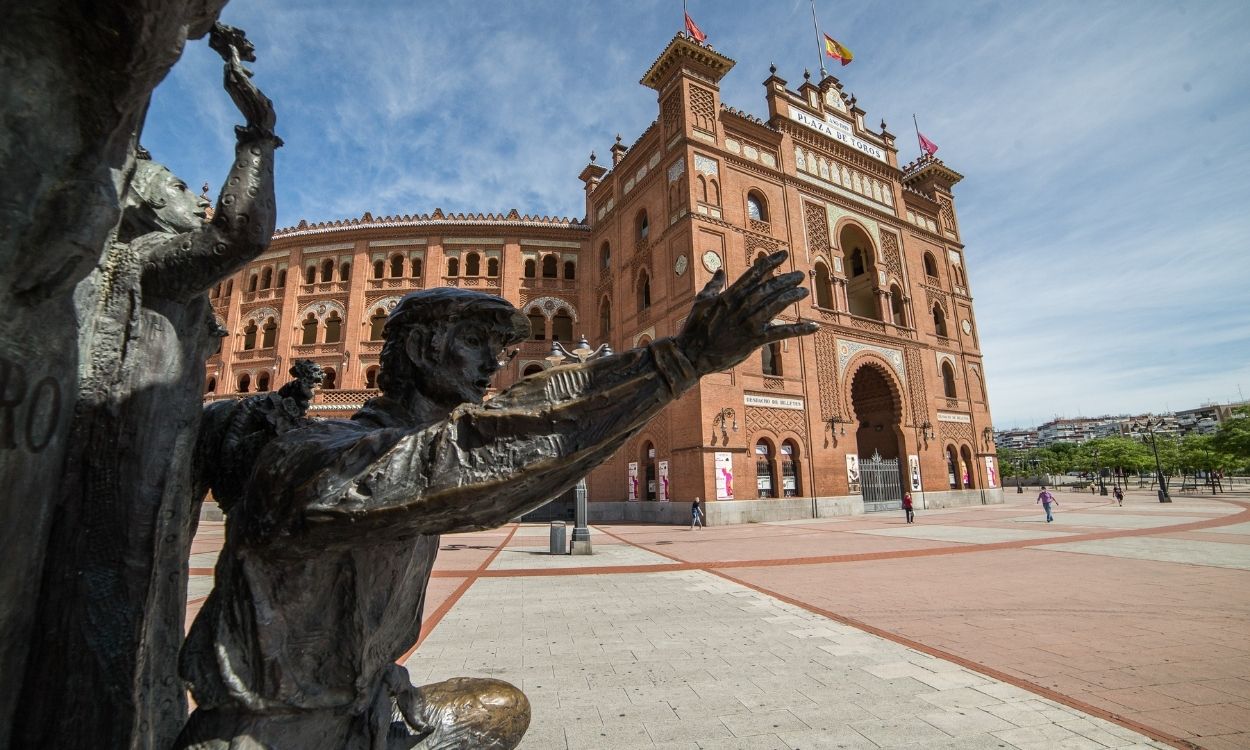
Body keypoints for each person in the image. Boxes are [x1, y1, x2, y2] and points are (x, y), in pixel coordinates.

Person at [178, 251, 817, 749]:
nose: (497, 362)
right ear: (425, 347)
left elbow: (512, 464)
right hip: (272, 731)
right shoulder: (317, 455)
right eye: (479, 343)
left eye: (503, 348)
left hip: (371, 707)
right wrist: (680, 360)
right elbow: (471, 457)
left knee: (499, 710)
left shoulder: (405, 443)